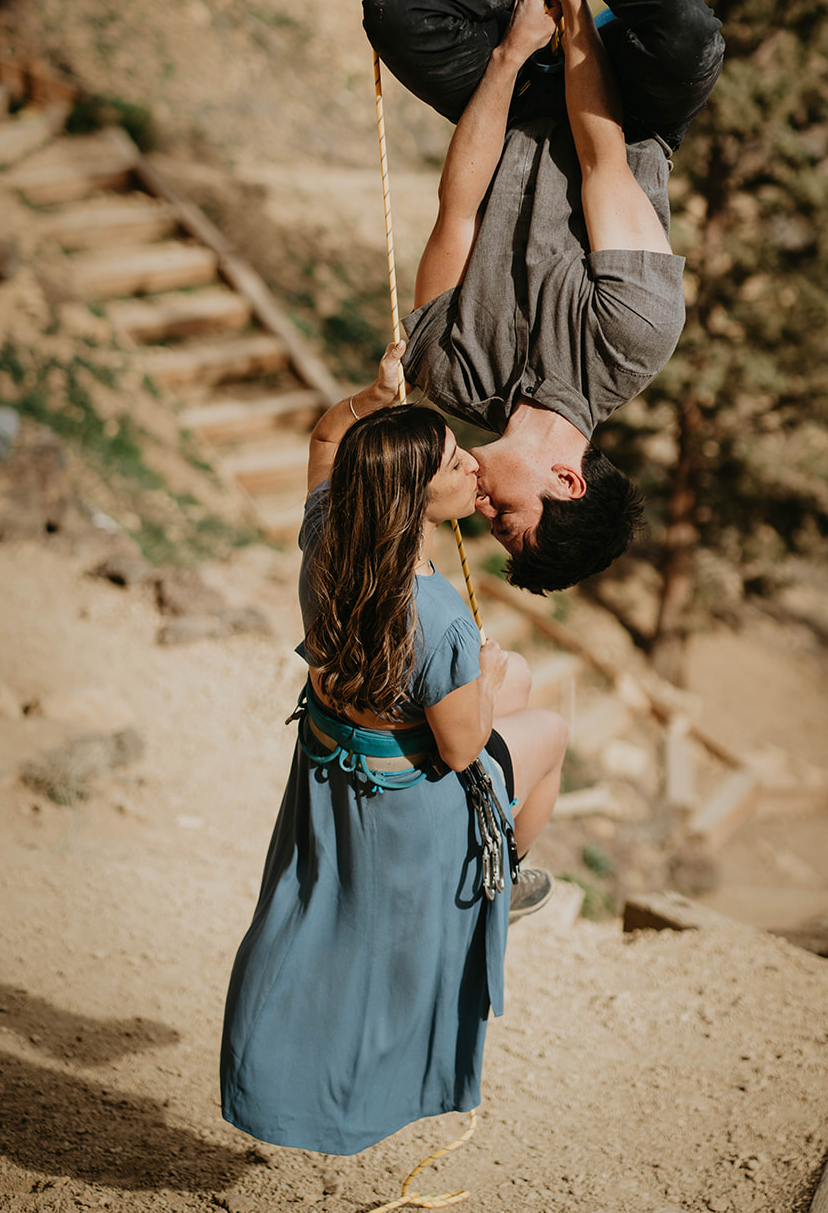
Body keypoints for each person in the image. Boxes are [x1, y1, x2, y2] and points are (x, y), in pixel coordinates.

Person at [362, 0, 726, 595]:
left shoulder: (449, 379)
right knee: (690, 38)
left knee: (399, 11)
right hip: (626, 111)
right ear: (568, 482)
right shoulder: (632, 340)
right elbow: (600, 158)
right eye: (509, 522)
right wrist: (569, 8)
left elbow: (456, 213)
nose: (484, 511)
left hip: (517, 99)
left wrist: (514, 50)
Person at [220, 342, 569, 1157]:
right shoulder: (435, 613)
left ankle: (502, 851)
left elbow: (323, 443)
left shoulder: (327, 538)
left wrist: (368, 400)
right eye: (454, 466)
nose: (473, 472)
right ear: (415, 495)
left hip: (332, 758)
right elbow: (458, 749)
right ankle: (501, 876)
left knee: (508, 673)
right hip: (406, 796)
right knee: (544, 729)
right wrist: (477, 675)